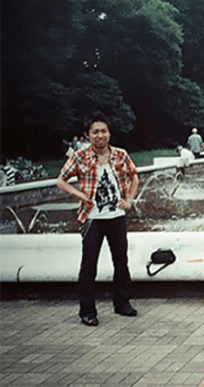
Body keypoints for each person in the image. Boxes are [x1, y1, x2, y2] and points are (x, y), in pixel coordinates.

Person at [56, 112, 140, 327]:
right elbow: (61, 181)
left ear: (109, 133)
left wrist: (129, 199)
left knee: (121, 262)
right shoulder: (79, 157)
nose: (100, 135)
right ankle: (87, 311)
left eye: (103, 131)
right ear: (88, 135)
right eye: (95, 132)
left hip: (117, 216)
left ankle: (122, 303)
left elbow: (134, 176)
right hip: (92, 218)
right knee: (88, 265)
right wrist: (80, 195)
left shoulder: (120, 155)